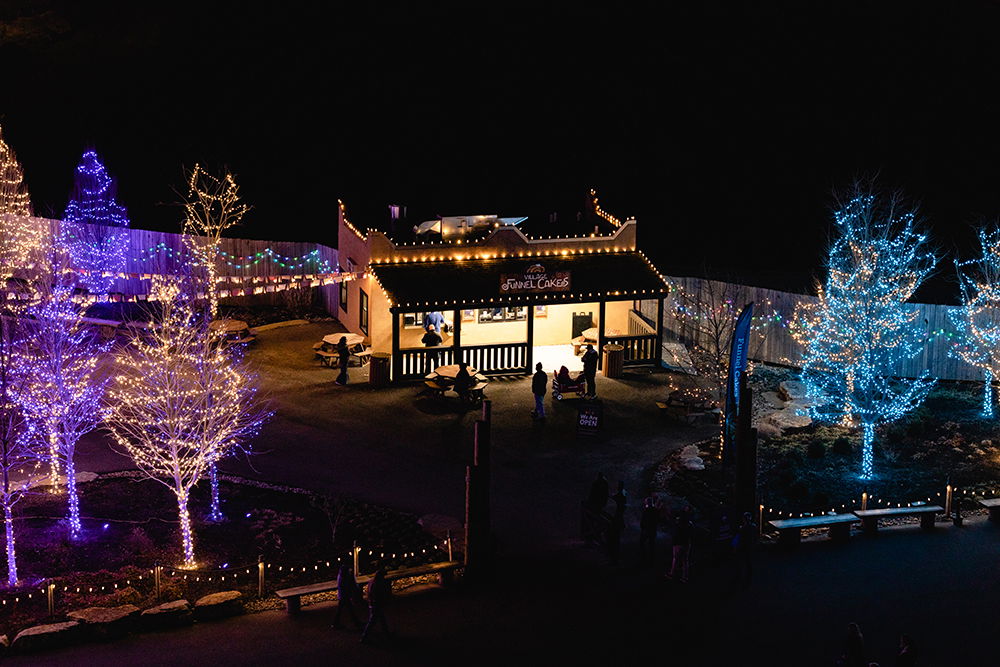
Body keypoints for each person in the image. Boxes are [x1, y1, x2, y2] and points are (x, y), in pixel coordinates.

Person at [361, 567, 392, 644]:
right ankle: (364, 637)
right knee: (372, 622)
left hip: (373, 604)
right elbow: (379, 595)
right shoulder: (378, 584)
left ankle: (387, 633)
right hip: (376, 605)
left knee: (381, 619)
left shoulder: (372, 581)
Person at [332, 565, 361, 630]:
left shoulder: (341, 576)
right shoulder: (344, 578)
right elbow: (348, 585)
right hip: (344, 596)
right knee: (347, 610)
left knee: (344, 610)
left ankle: (355, 622)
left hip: (343, 596)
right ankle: (356, 622)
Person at [668, 506, 692, 583]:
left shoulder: (678, 525)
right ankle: (685, 577)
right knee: (685, 560)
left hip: (678, 543)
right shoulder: (689, 524)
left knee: (675, 558)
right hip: (686, 543)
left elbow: (675, 534)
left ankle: (672, 574)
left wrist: (674, 543)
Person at [733, 511, 757, 587]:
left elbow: (740, 539)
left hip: (744, 547)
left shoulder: (743, 528)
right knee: (749, 561)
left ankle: (740, 576)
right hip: (750, 546)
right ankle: (749, 575)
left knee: (741, 561)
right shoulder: (753, 527)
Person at [639, 497, 659, 565]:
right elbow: (657, 520)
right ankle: (651, 560)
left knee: (642, 543)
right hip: (652, 530)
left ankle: (644, 558)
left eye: (646, 501)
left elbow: (643, 520)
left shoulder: (646, 510)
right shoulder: (655, 510)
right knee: (651, 545)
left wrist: (642, 527)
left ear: (647, 502)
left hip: (647, 530)